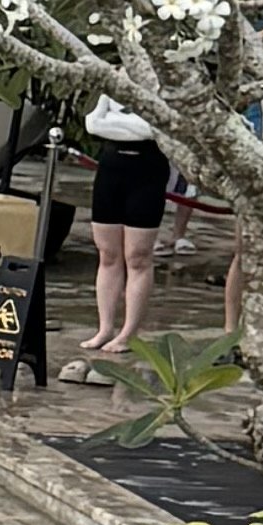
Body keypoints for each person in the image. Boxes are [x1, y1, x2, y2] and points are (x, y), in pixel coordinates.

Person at [74, 96, 172, 376]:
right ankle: (105, 327)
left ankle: (129, 332)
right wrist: (133, 127)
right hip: (111, 166)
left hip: (149, 167)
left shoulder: (159, 86)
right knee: (108, 254)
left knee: (137, 256)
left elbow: (158, 129)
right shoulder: (113, 86)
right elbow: (93, 124)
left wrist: (116, 124)